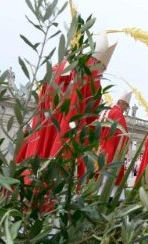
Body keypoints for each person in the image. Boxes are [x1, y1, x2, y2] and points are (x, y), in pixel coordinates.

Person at [14, 33, 116, 167]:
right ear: (98, 62)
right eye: (102, 70)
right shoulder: (89, 72)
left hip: (42, 129)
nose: (101, 74)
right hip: (62, 138)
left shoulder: (60, 66)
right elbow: (84, 114)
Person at [100, 89, 131, 178]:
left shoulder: (107, 111)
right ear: (122, 103)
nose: (125, 109)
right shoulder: (118, 114)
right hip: (111, 152)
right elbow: (122, 136)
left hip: (101, 148)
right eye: (126, 106)